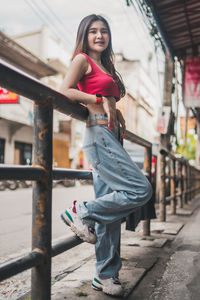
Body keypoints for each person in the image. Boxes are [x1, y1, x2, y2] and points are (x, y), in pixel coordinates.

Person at [60, 14, 152, 296]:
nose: (99, 36)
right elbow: (64, 90)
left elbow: (109, 97)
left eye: (104, 31)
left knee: (110, 208)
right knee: (140, 189)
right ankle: (82, 212)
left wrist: (116, 108)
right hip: (98, 135)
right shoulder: (82, 60)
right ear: (84, 35)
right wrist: (98, 100)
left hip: (112, 135)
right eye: (93, 31)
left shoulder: (105, 65)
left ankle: (106, 274)